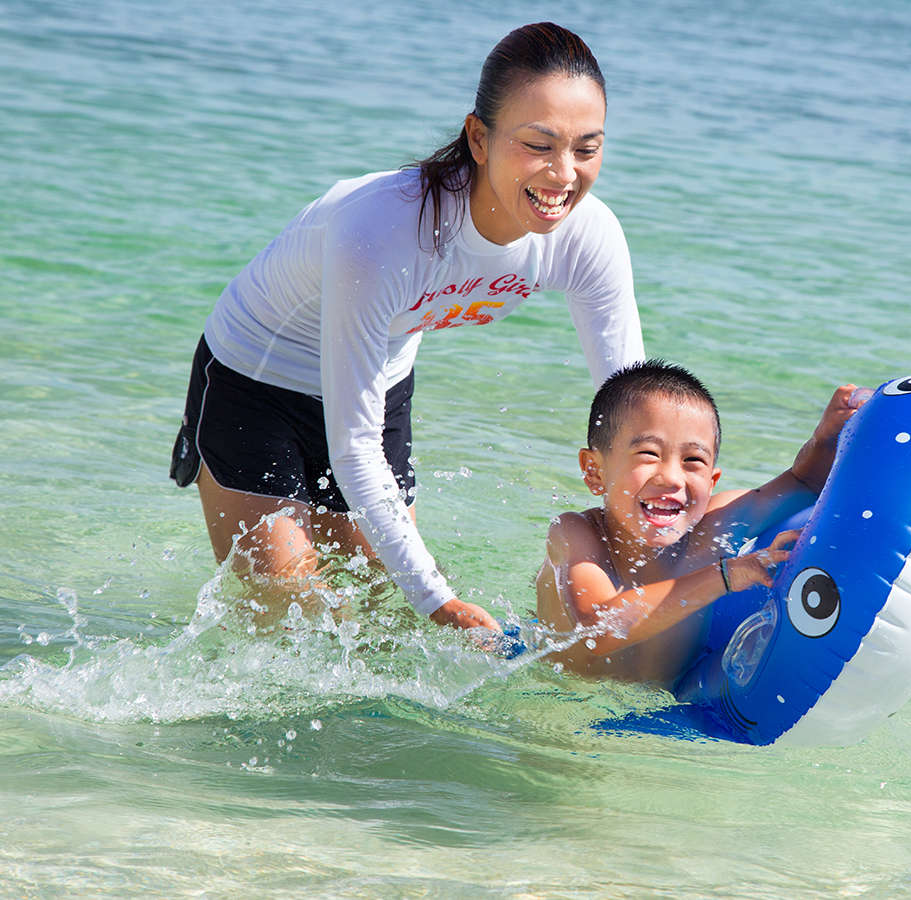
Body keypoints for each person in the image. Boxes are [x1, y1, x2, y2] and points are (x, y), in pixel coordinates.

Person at [169, 23, 643, 633]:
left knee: (382, 613)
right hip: (258, 376)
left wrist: (670, 540)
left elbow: (632, 409)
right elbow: (354, 448)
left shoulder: (588, 236)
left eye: (586, 149)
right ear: (479, 138)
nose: (563, 174)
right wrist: (440, 601)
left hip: (378, 379)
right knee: (294, 616)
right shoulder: (384, 230)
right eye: (538, 144)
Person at [535, 360, 861, 688]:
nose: (672, 478)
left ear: (712, 480)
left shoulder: (715, 528)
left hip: (669, 700)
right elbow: (596, 629)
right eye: (649, 454)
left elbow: (804, 483)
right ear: (594, 471)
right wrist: (726, 575)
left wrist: (827, 435)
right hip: (565, 693)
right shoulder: (576, 533)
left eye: (693, 460)